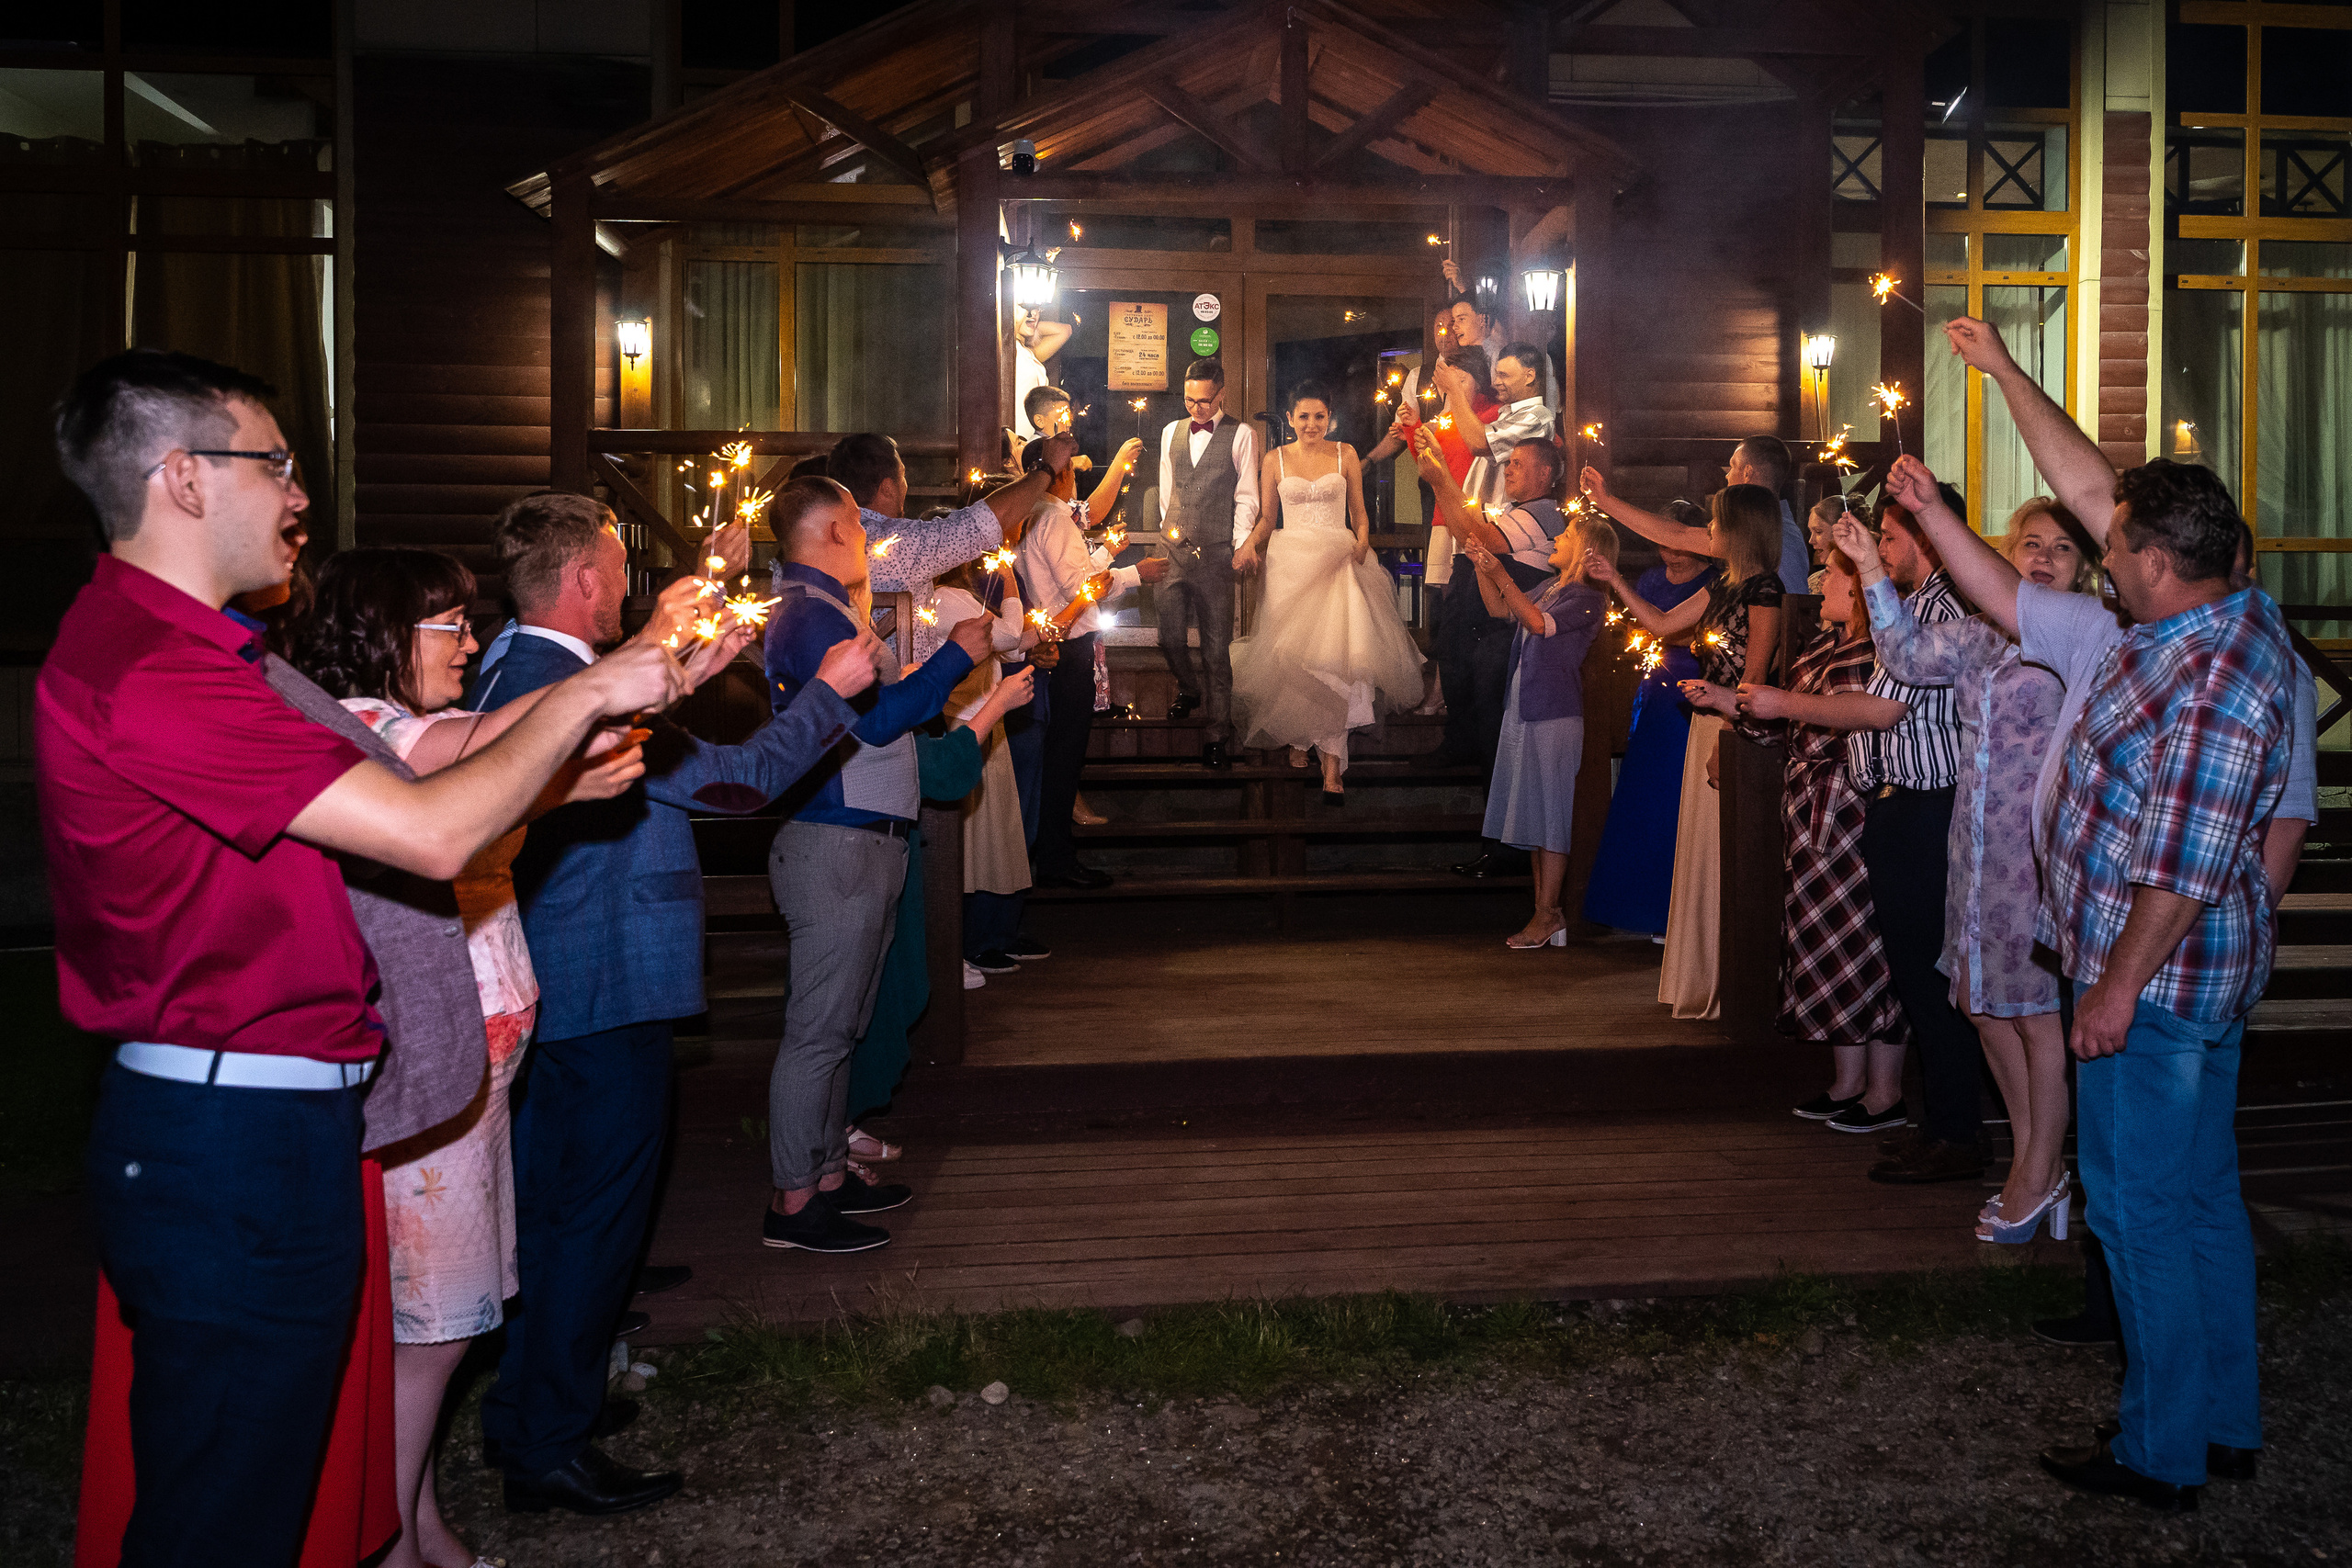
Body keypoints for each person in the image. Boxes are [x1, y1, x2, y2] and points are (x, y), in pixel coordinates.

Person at [40, 350, 686, 1564]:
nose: (298, 493)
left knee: (269, 1467)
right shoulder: (158, 669)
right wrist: (594, 682)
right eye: (274, 462)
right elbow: (434, 829)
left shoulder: (214, 647)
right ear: (182, 477)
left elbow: (410, 784)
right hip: (227, 1135)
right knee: (229, 1498)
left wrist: (563, 754)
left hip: (265, 1120)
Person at [1934, 316, 2299, 1509]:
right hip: (2189, 983)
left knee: (2139, 1211)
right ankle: (2222, 1422)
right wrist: (1999, 371)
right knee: (2199, 1200)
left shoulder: (2220, 671)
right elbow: (2091, 480)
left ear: (2158, 562)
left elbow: (2187, 864)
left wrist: (2111, 986)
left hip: (2159, 989)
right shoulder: (2202, 608)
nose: (2103, 553)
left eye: (2115, 546)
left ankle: (2161, 1451)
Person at [471, 491, 877, 1517]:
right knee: (592, 1218)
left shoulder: (515, 667)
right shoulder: (569, 689)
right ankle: (547, 1444)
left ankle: (532, 1408)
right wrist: (827, 694)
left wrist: (693, 668)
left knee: (548, 1210)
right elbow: (737, 786)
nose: (627, 587)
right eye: (618, 569)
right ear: (581, 582)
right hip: (601, 983)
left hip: (560, 980)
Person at [289, 547, 655, 1566]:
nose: (470, 640)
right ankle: (387, 1543)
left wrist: (558, 789)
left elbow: (491, 784)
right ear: (380, 639)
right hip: (431, 1077)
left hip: (480, 1071)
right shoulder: (365, 728)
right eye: (447, 625)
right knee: (434, 1324)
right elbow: (463, 751)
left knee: (458, 1317)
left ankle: (416, 1519)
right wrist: (589, 695)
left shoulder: (422, 736)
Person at [758, 476, 996, 1255]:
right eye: (860, 528)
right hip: (836, 838)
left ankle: (827, 1177)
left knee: (845, 1024)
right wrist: (955, 659)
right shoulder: (807, 614)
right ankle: (795, 1202)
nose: (870, 540)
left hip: (863, 839)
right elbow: (878, 721)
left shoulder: (826, 609)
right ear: (832, 530)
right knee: (819, 1033)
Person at [1836, 492, 2075, 1235]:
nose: (2042, 556)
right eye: (2031, 542)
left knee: (2035, 1015)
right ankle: (2038, 1158)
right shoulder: (1980, 633)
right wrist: (1872, 563)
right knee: (1978, 1002)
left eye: (2063, 547)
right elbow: (1903, 654)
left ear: (2087, 566)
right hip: (1971, 846)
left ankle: (2038, 1170)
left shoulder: (2085, 640)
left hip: (2036, 852)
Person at [1686, 547, 1910, 1121]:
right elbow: (1785, 724)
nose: (1819, 581)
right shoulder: (1818, 648)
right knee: (1821, 944)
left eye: (1835, 573)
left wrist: (1781, 708)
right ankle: (1845, 1082)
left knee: (1864, 946)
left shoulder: (1875, 652)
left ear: (1862, 589)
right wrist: (1728, 707)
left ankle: (1885, 1092)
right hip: (1808, 814)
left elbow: (1861, 725)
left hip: (1850, 812)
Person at [1834, 495, 1987, 1183]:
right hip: (1903, 808)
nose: (1882, 547)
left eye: (1890, 536)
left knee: (1934, 977)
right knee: (1915, 977)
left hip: (1933, 808)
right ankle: (1940, 1122)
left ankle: (1958, 1131)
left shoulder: (1944, 608)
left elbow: (1894, 702)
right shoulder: (1915, 602)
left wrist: (1787, 706)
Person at [1589, 484, 1783, 1020]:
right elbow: (1660, 623)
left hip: (1730, 730)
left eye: (1718, 526)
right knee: (1697, 854)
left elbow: (1754, 677)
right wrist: (1616, 581)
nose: (1708, 535)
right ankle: (1698, 977)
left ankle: (1727, 987)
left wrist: (1730, 737)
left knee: (1722, 858)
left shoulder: (1764, 590)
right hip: (1700, 724)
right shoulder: (1723, 585)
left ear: (1740, 531)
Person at [1228, 383, 1425, 802]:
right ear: (1291, 418)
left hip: (1339, 562)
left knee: (1337, 660)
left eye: (1319, 416)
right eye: (1303, 417)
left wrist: (1363, 540)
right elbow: (1267, 518)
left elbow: (1359, 512)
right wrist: (1247, 546)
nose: (1311, 424)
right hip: (1291, 565)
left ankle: (1332, 767)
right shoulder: (1274, 459)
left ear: (1329, 417)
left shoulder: (1346, 454)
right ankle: (1301, 736)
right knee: (1298, 658)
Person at [1413, 428, 1577, 875]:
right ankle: (1496, 842)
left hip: (1507, 645)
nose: (1508, 470)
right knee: (1487, 744)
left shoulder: (1542, 511)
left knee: (1497, 748)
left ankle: (1505, 853)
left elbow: (1481, 539)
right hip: (1489, 639)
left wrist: (1441, 479)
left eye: (1517, 463)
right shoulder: (1517, 510)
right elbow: (1469, 537)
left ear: (1545, 473)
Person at [1023, 440, 1170, 881]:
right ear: (1058, 474)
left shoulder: (1032, 516)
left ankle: (1049, 855)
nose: (1076, 478)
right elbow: (1079, 589)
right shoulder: (1054, 518)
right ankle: (1055, 860)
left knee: (1055, 759)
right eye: (1071, 471)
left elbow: (1073, 575)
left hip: (1049, 642)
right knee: (1063, 760)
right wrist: (1134, 574)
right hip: (1067, 648)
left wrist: (1108, 554)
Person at [1464, 510, 1610, 947]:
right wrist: (1481, 566)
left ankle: (1549, 912)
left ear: (1586, 551)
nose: (1556, 540)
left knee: (1551, 813)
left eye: (1565, 535)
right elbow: (1498, 607)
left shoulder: (1586, 596)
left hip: (1556, 711)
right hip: (1524, 708)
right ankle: (1543, 912)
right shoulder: (1551, 587)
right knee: (1531, 812)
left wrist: (1500, 573)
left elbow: (1537, 624)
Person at [1580, 529, 1716, 935]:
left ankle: (1673, 914)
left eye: (1676, 543)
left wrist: (1667, 632)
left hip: (1692, 683)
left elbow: (1670, 627)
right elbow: (1647, 625)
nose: (1668, 553)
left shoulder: (1716, 581)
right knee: (1642, 792)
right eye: (1662, 545)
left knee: (1676, 796)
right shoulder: (1652, 580)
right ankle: (1631, 908)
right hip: (1655, 684)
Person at [917, 553, 1043, 977]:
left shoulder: (952, 598)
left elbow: (1004, 648)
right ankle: (973, 940)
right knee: (980, 839)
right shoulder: (945, 597)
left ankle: (991, 934)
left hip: (985, 718)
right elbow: (1004, 635)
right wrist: (1009, 582)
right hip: (969, 721)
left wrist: (1036, 641)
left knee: (997, 835)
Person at [1154, 358, 1261, 768]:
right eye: (1189, 400)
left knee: (1217, 650)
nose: (1196, 409)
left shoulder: (1242, 434)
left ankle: (1217, 735)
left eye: (1204, 402)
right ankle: (1189, 687)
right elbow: (1168, 487)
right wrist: (1172, 528)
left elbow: (1247, 495)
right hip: (1174, 549)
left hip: (1217, 554)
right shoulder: (1170, 432)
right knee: (1169, 636)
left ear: (1221, 395)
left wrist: (1238, 545)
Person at [1580, 436, 1812, 596]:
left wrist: (1606, 501)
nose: (1727, 476)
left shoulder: (1763, 530)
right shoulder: (1783, 524)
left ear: (1748, 472)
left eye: (1732, 467)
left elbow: (1677, 535)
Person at [1458, 342, 1556, 512]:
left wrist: (1455, 391)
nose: (1496, 382)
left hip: (1505, 523)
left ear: (1530, 376)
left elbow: (1481, 444)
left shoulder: (1537, 417)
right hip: (1484, 522)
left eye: (1504, 375)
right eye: (1496, 375)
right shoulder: (1506, 413)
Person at [1010, 306, 1073, 444]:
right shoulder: (1008, 349)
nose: (1032, 313)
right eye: (1024, 307)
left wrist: (1031, 324)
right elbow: (1005, 330)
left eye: (1037, 309)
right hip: (1017, 444)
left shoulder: (1030, 353)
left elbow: (1065, 331)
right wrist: (1017, 319)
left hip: (1037, 443)